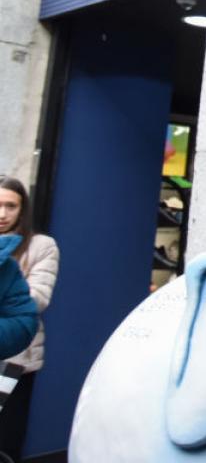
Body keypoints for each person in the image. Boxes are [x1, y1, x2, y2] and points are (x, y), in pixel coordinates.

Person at [0, 177, 57, 461]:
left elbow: (37, 298)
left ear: (22, 210)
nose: (2, 214)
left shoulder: (40, 246)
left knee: (5, 436)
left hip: (15, 359)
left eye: (11, 206)